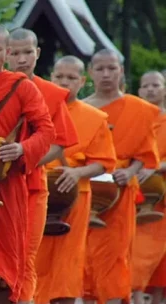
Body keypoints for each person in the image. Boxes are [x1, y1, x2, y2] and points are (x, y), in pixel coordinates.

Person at [0, 24, 55, 304]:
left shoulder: (21, 86)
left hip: (7, 186)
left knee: (6, 265)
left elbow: (46, 130)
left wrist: (22, 148)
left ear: (7, 52)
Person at [34, 55, 117, 304]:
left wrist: (76, 173)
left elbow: (104, 162)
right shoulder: (37, 109)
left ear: (82, 81)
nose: (64, 82)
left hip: (75, 197)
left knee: (68, 260)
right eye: (59, 76)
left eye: (71, 78)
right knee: (35, 256)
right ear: (51, 77)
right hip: (37, 189)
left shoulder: (93, 117)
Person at [6, 28, 79, 304]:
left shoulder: (50, 93)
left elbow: (60, 143)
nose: (22, 59)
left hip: (31, 185)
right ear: (5, 53)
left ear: (37, 53)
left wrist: (25, 159)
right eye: (15, 52)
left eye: (28, 52)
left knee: (25, 257)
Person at [83, 49, 160, 304]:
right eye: (100, 69)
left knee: (115, 254)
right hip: (87, 191)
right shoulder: (83, 109)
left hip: (121, 190)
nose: (106, 74)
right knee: (85, 255)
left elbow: (146, 152)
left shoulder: (139, 109)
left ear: (121, 71)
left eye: (112, 68)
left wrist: (130, 172)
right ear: (91, 72)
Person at [131, 71, 166, 304]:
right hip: (137, 196)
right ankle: (134, 296)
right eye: (146, 86)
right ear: (140, 91)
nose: (151, 89)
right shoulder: (135, 120)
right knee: (136, 254)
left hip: (162, 198)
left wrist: (156, 167)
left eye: (156, 85)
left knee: (161, 262)